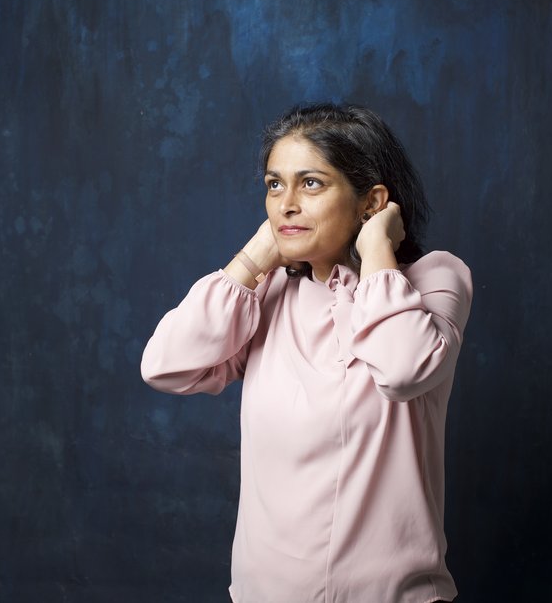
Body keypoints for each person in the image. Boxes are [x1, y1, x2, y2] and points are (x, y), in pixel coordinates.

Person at [141, 103, 473, 603]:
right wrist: (255, 257)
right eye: (275, 185)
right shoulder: (267, 295)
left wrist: (378, 249)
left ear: (372, 202)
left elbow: (404, 371)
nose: (285, 204)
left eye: (311, 183)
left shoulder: (433, 281)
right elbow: (165, 365)